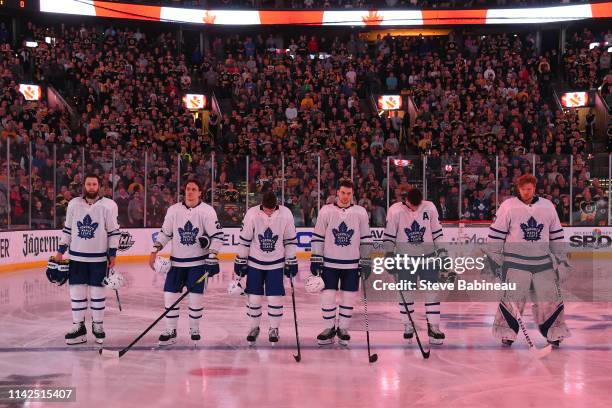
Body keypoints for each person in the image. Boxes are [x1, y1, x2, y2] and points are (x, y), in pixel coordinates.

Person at [488, 174, 571, 347]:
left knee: (550, 297)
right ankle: (507, 333)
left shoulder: (548, 206)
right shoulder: (508, 206)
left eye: (530, 189)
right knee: (513, 298)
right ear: (518, 189)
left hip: (542, 261)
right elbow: (495, 236)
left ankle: (554, 332)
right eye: (524, 189)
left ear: (534, 188)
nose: (527, 192)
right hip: (515, 262)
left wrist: (561, 260)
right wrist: (494, 260)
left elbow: (556, 235)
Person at [149, 179, 224, 346]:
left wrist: (212, 255)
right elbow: (165, 233)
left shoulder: (207, 211)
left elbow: (217, 236)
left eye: (193, 189)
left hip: (197, 264)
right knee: (169, 297)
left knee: (195, 299)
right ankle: (170, 330)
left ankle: (194, 329)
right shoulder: (174, 210)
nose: (189, 192)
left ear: (200, 193)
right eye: (187, 188)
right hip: (176, 263)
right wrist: (154, 251)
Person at [54, 174, 120, 345]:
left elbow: (113, 231)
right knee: (77, 292)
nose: (91, 187)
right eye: (88, 184)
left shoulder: (109, 206)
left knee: (98, 293)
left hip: (99, 258)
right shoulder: (74, 204)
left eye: (94, 184)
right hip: (76, 257)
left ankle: (98, 326)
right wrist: (60, 251)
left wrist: (112, 254)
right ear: (83, 186)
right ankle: (78, 327)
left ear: (99, 186)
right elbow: (67, 229)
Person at [310, 179, 372, 346]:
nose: (346, 196)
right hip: (329, 264)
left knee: (348, 298)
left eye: (349, 193)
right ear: (337, 192)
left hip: (351, 265)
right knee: (328, 296)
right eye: (343, 193)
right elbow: (318, 236)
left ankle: (343, 329)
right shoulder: (326, 210)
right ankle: (329, 328)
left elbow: (366, 239)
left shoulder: (360, 212)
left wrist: (366, 260)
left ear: (353, 194)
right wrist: (316, 258)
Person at [383, 187, 446, 345]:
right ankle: (408, 324)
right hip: (404, 259)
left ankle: (434, 326)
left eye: (418, 205)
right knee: (406, 293)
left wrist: (443, 253)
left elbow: (437, 232)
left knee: (432, 292)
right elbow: (389, 236)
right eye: (413, 205)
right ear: (406, 200)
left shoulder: (429, 207)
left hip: (429, 258)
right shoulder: (395, 211)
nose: (415, 208)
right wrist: (389, 255)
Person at [234, 191, 298, 345]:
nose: (269, 211)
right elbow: (244, 240)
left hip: (276, 263)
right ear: (262, 205)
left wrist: (291, 260)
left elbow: (290, 240)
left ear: (276, 205)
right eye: (266, 209)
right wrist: (240, 260)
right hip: (255, 263)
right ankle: (254, 328)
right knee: (254, 299)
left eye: (272, 209)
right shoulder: (252, 214)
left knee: (274, 298)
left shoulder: (286, 214)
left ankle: (274, 328)